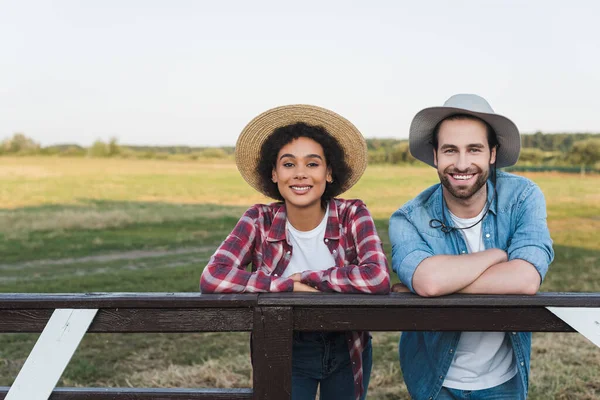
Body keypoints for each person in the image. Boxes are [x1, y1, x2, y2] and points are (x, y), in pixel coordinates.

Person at [200, 104, 390, 400]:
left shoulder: (353, 213)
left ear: (329, 172)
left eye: (312, 164)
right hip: (283, 343)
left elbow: (377, 278)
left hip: (347, 344)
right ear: (274, 174)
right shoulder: (258, 219)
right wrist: (289, 286)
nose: (300, 174)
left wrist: (311, 278)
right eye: (289, 164)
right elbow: (213, 276)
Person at [389, 94, 554, 400]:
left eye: (474, 149)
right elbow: (429, 280)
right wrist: (497, 256)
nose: (462, 164)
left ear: (492, 153)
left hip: (504, 379)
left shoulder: (522, 197)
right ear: (435, 156)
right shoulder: (408, 218)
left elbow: (526, 279)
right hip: (434, 381)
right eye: (450, 150)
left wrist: (440, 282)